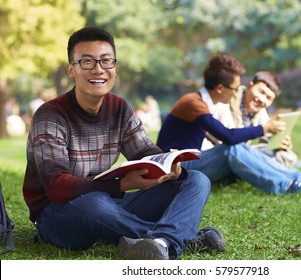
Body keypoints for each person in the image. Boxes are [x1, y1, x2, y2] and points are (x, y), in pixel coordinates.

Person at [22, 27, 225, 260]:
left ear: (114, 68)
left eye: (106, 61)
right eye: (87, 62)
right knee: (94, 203)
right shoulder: (50, 115)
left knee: (196, 179)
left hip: (107, 203)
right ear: (72, 69)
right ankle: (181, 241)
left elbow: (144, 152)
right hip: (56, 215)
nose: (98, 69)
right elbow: (57, 187)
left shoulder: (118, 108)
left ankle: (162, 244)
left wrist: (170, 165)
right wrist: (120, 186)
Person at [157, 54, 301, 198]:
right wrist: (265, 128)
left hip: (191, 164)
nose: (237, 92)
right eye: (235, 88)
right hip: (175, 170)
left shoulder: (202, 103)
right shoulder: (193, 103)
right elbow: (228, 136)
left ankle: (300, 179)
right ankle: (288, 186)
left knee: (240, 149)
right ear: (220, 88)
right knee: (231, 149)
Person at [202, 71, 298, 167]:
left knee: (287, 156)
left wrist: (280, 143)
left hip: (238, 155)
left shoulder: (261, 112)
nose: (262, 99)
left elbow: (266, 141)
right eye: (261, 92)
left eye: (268, 98)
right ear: (250, 86)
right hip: (214, 153)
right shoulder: (224, 101)